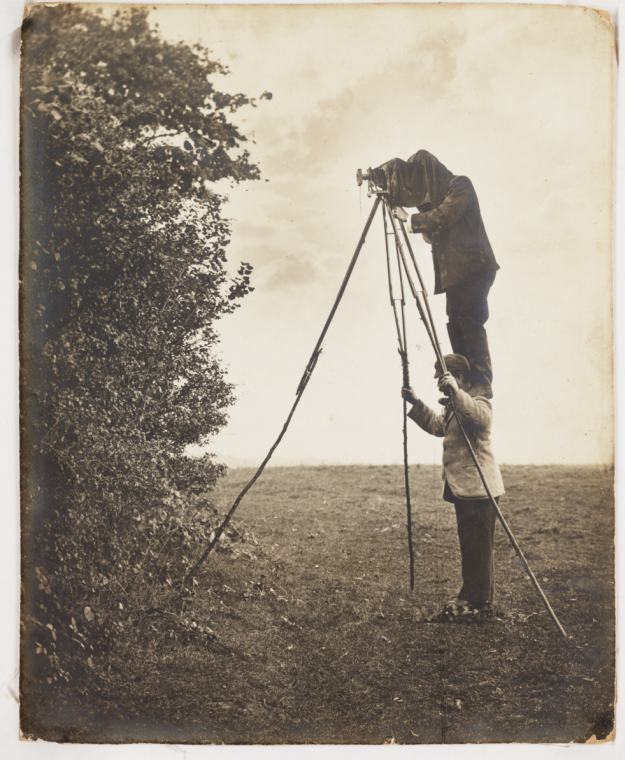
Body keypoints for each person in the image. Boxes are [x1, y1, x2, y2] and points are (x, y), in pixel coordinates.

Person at [372, 150, 499, 398]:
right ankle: (464, 384)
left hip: (474, 269)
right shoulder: (439, 196)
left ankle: (482, 383)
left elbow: (446, 216)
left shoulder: (460, 185)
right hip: (456, 275)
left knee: (470, 320)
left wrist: (410, 220)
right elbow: (434, 234)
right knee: (455, 323)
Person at [401, 353, 505, 619]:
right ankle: (473, 597)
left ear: (458, 378)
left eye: (442, 379)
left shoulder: (479, 403)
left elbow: (479, 417)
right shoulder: (453, 406)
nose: (438, 384)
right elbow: (438, 426)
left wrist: (457, 393)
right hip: (464, 489)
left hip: (480, 489)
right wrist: (416, 403)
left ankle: (479, 603)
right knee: (470, 545)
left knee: (479, 546)